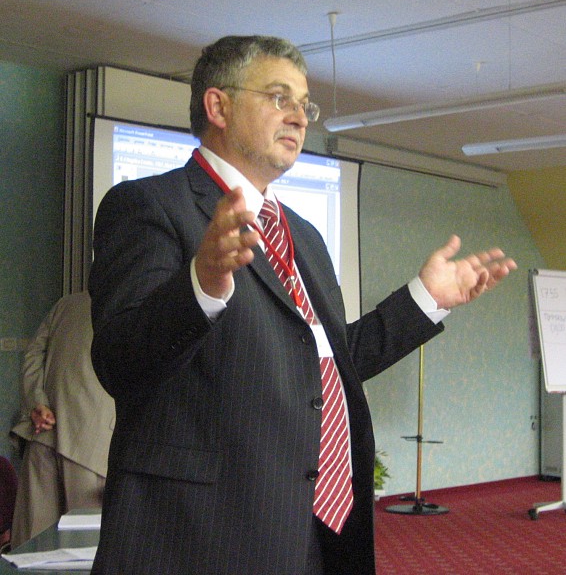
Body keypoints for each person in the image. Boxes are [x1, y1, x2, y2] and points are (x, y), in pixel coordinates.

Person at [88, 35, 517, 575]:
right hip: (200, 536)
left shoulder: (305, 236)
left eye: (304, 105)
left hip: (311, 530)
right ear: (218, 106)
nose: (298, 117)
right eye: (278, 97)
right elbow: (121, 361)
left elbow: (325, 366)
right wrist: (202, 280)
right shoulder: (148, 205)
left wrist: (426, 299)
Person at [9, 291, 115, 549]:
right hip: (92, 447)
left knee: (31, 550)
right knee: (86, 549)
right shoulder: (138, 302)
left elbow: (33, 356)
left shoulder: (67, 304)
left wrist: (37, 403)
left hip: (43, 435)